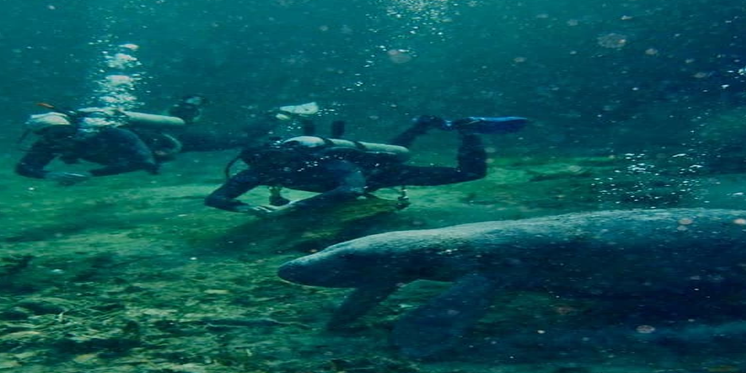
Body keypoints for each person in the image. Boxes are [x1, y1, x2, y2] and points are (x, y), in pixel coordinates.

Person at [204, 115, 529, 218]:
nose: (267, 168)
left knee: (470, 173)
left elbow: (352, 188)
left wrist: (292, 211)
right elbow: (216, 199)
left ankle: (469, 130)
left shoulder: (325, 158)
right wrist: (249, 209)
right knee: (394, 151)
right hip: (369, 172)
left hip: (381, 175)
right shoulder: (264, 169)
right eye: (261, 163)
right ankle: (419, 127)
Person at [16, 97, 317, 186]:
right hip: (157, 146)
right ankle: (182, 108)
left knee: (240, 138)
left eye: (59, 134)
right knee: (237, 138)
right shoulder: (50, 142)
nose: (56, 142)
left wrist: (88, 175)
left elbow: (143, 160)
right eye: (47, 137)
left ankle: (276, 114)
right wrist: (50, 173)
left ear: (69, 127)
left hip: (176, 141)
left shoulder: (110, 131)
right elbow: (25, 167)